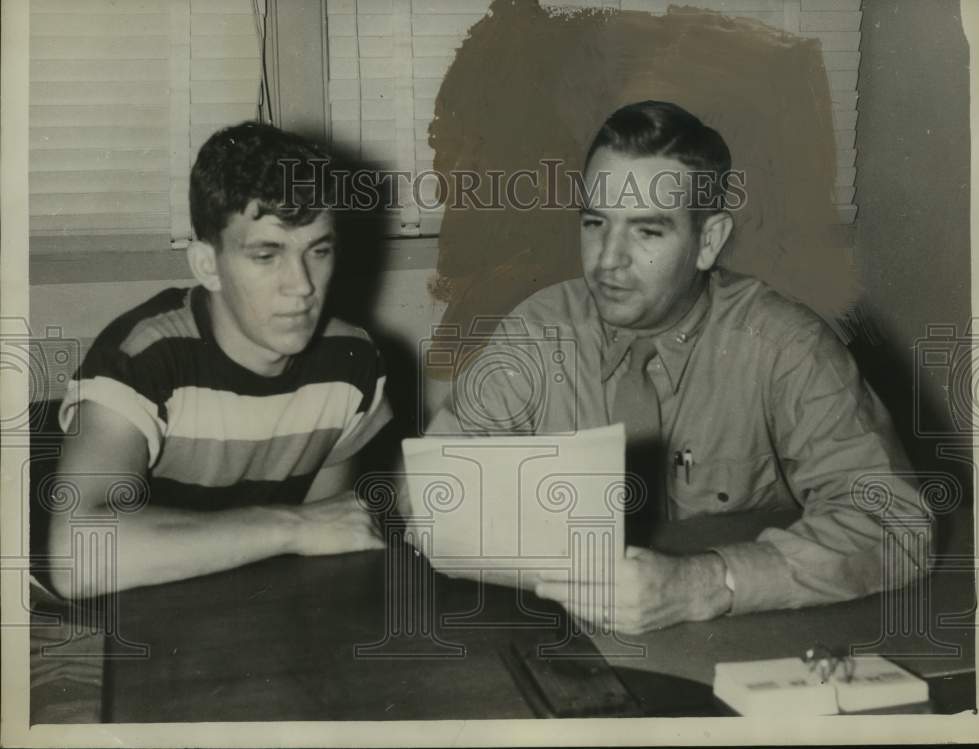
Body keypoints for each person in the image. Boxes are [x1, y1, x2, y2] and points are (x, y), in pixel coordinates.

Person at [420, 101, 932, 633]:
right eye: (596, 223)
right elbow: (435, 495)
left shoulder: (784, 345)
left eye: (646, 232)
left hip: (738, 632)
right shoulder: (536, 331)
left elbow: (895, 523)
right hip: (570, 633)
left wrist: (704, 584)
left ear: (708, 241)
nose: (608, 259)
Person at [48, 122, 391, 598]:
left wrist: (302, 531)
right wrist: (291, 526)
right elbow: (78, 559)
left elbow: (327, 545)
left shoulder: (350, 361)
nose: (302, 286)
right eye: (266, 255)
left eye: (319, 251)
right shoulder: (142, 358)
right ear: (207, 265)